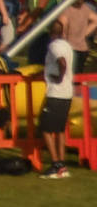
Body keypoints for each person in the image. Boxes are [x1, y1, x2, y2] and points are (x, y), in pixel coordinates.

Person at [34, 25, 79, 178]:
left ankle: (55, 164)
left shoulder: (54, 46)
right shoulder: (67, 45)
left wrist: (58, 78)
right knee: (59, 130)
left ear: (51, 33)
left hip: (56, 93)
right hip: (67, 93)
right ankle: (62, 165)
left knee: (45, 129)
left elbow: (62, 63)